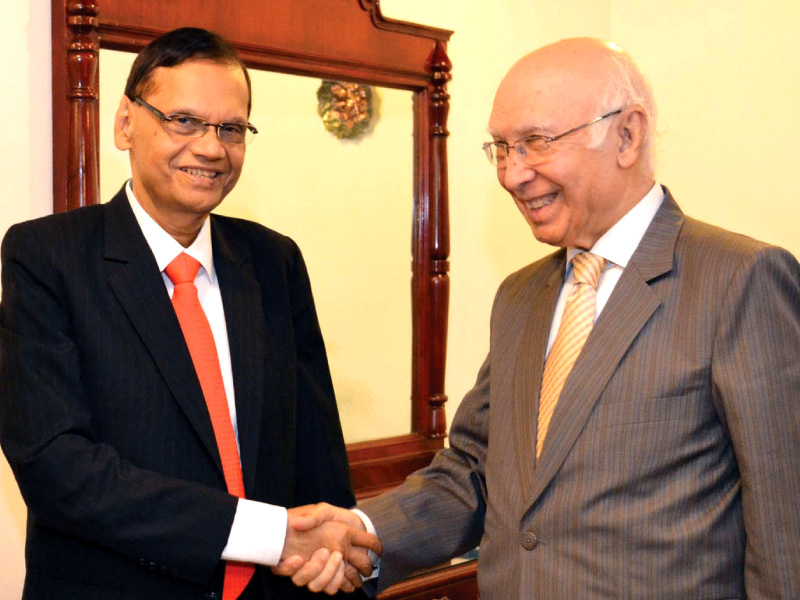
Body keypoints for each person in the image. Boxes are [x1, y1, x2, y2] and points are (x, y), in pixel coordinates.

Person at [276, 37, 800, 598]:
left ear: (627, 135)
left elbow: (785, 533)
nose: (512, 174)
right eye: (501, 147)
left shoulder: (739, 280)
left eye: (535, 143)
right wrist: (360, 532)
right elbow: (474, 472)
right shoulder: (521, 297)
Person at [0, 27, 378, 600]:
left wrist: (338, 559)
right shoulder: (46, 257)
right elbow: (58, 468)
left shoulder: (274, 261)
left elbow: (316, 454)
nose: (210, 147)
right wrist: (270, 536)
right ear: (126, 122)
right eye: (184, 121)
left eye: (231, 129)